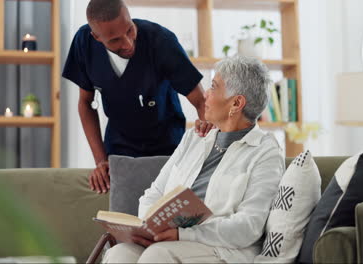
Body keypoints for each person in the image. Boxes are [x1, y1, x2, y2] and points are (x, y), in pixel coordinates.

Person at [102, 55, 285, 263]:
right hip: (170, 240)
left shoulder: (265, 152)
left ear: (236, 103)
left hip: (222, 249)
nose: (205, 94)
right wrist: (151, 227)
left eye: (214, 87)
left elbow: (249, 226)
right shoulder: (196, 137)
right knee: (120, 254)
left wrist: (182, 234)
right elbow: (154, 194)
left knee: (158, 255)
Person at [62, 0, 213, 194]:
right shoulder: (84, 43)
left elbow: (201, 102)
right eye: (115, 40)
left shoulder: (161, 41)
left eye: (130, 30)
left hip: (169, 148)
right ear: (96, 38)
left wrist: (205, 159)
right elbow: (85, 103)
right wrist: (100, 161)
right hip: (119, 151)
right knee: (124, 217)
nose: (127, 43)